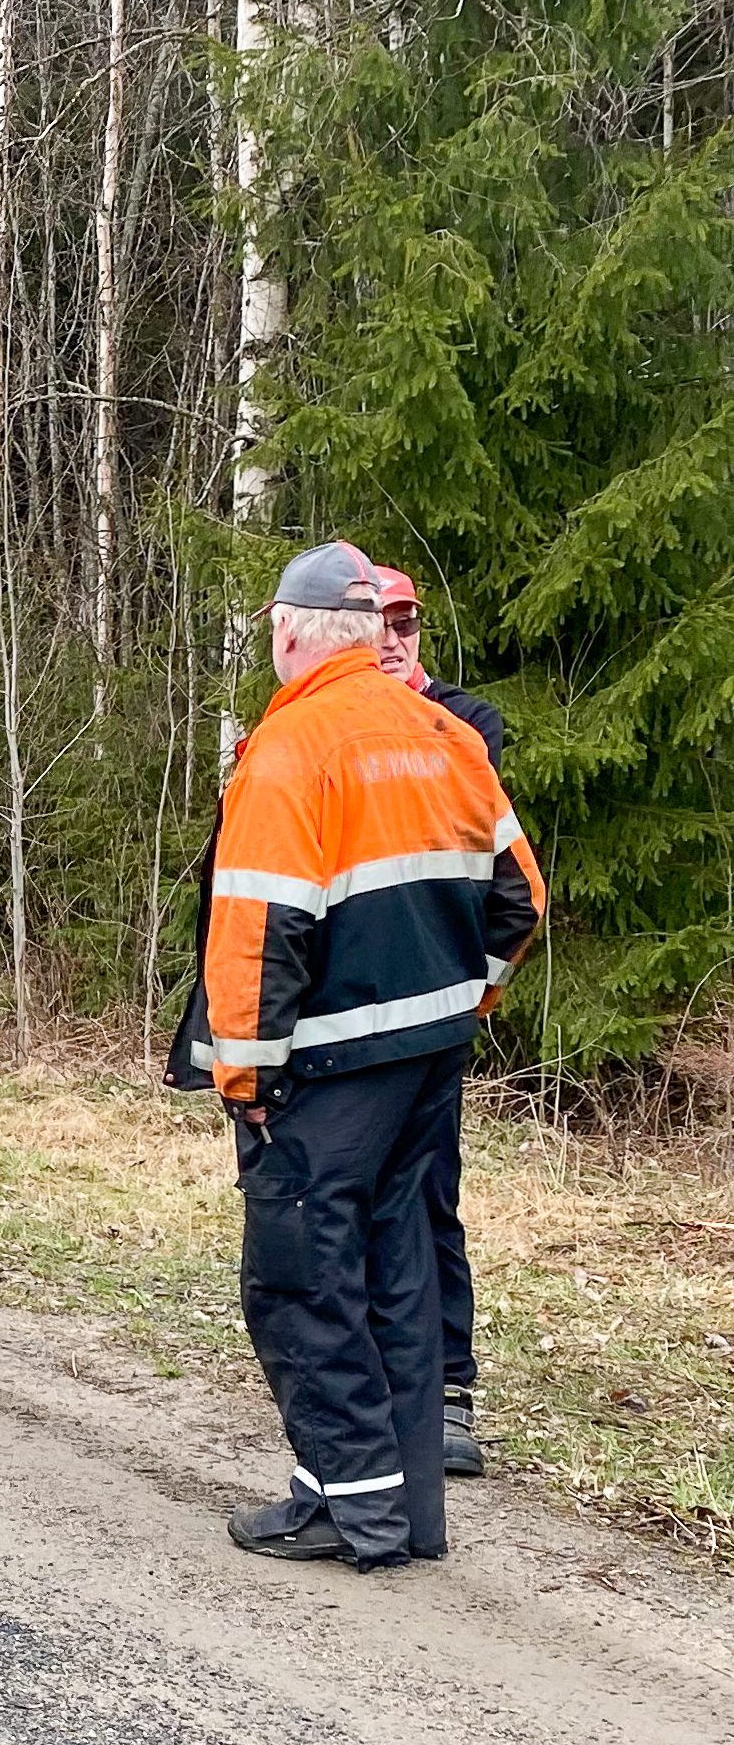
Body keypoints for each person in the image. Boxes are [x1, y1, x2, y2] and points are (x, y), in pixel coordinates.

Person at [199, 541, 544, 1570]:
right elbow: (519, 898)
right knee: (397, 1273)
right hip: (427, 1061)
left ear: (288, 630)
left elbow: (258, 926)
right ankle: (408, 1507)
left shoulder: (290, 745)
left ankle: (347, 1505)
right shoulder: (444, 735)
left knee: (302, 1278)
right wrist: (464, 1001)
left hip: (322, 1072)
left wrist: (245, 1076)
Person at [374, 563, 508, 1480]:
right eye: (374, 622)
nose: (390, 639)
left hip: (429, 1001)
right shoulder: (306, 727)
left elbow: (491, 867)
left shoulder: (464, 721)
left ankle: (448, 1389)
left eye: (405, 621)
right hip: (340, 1009)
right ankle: (369, 1387)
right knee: (340, 1206)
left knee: (428, 1196)